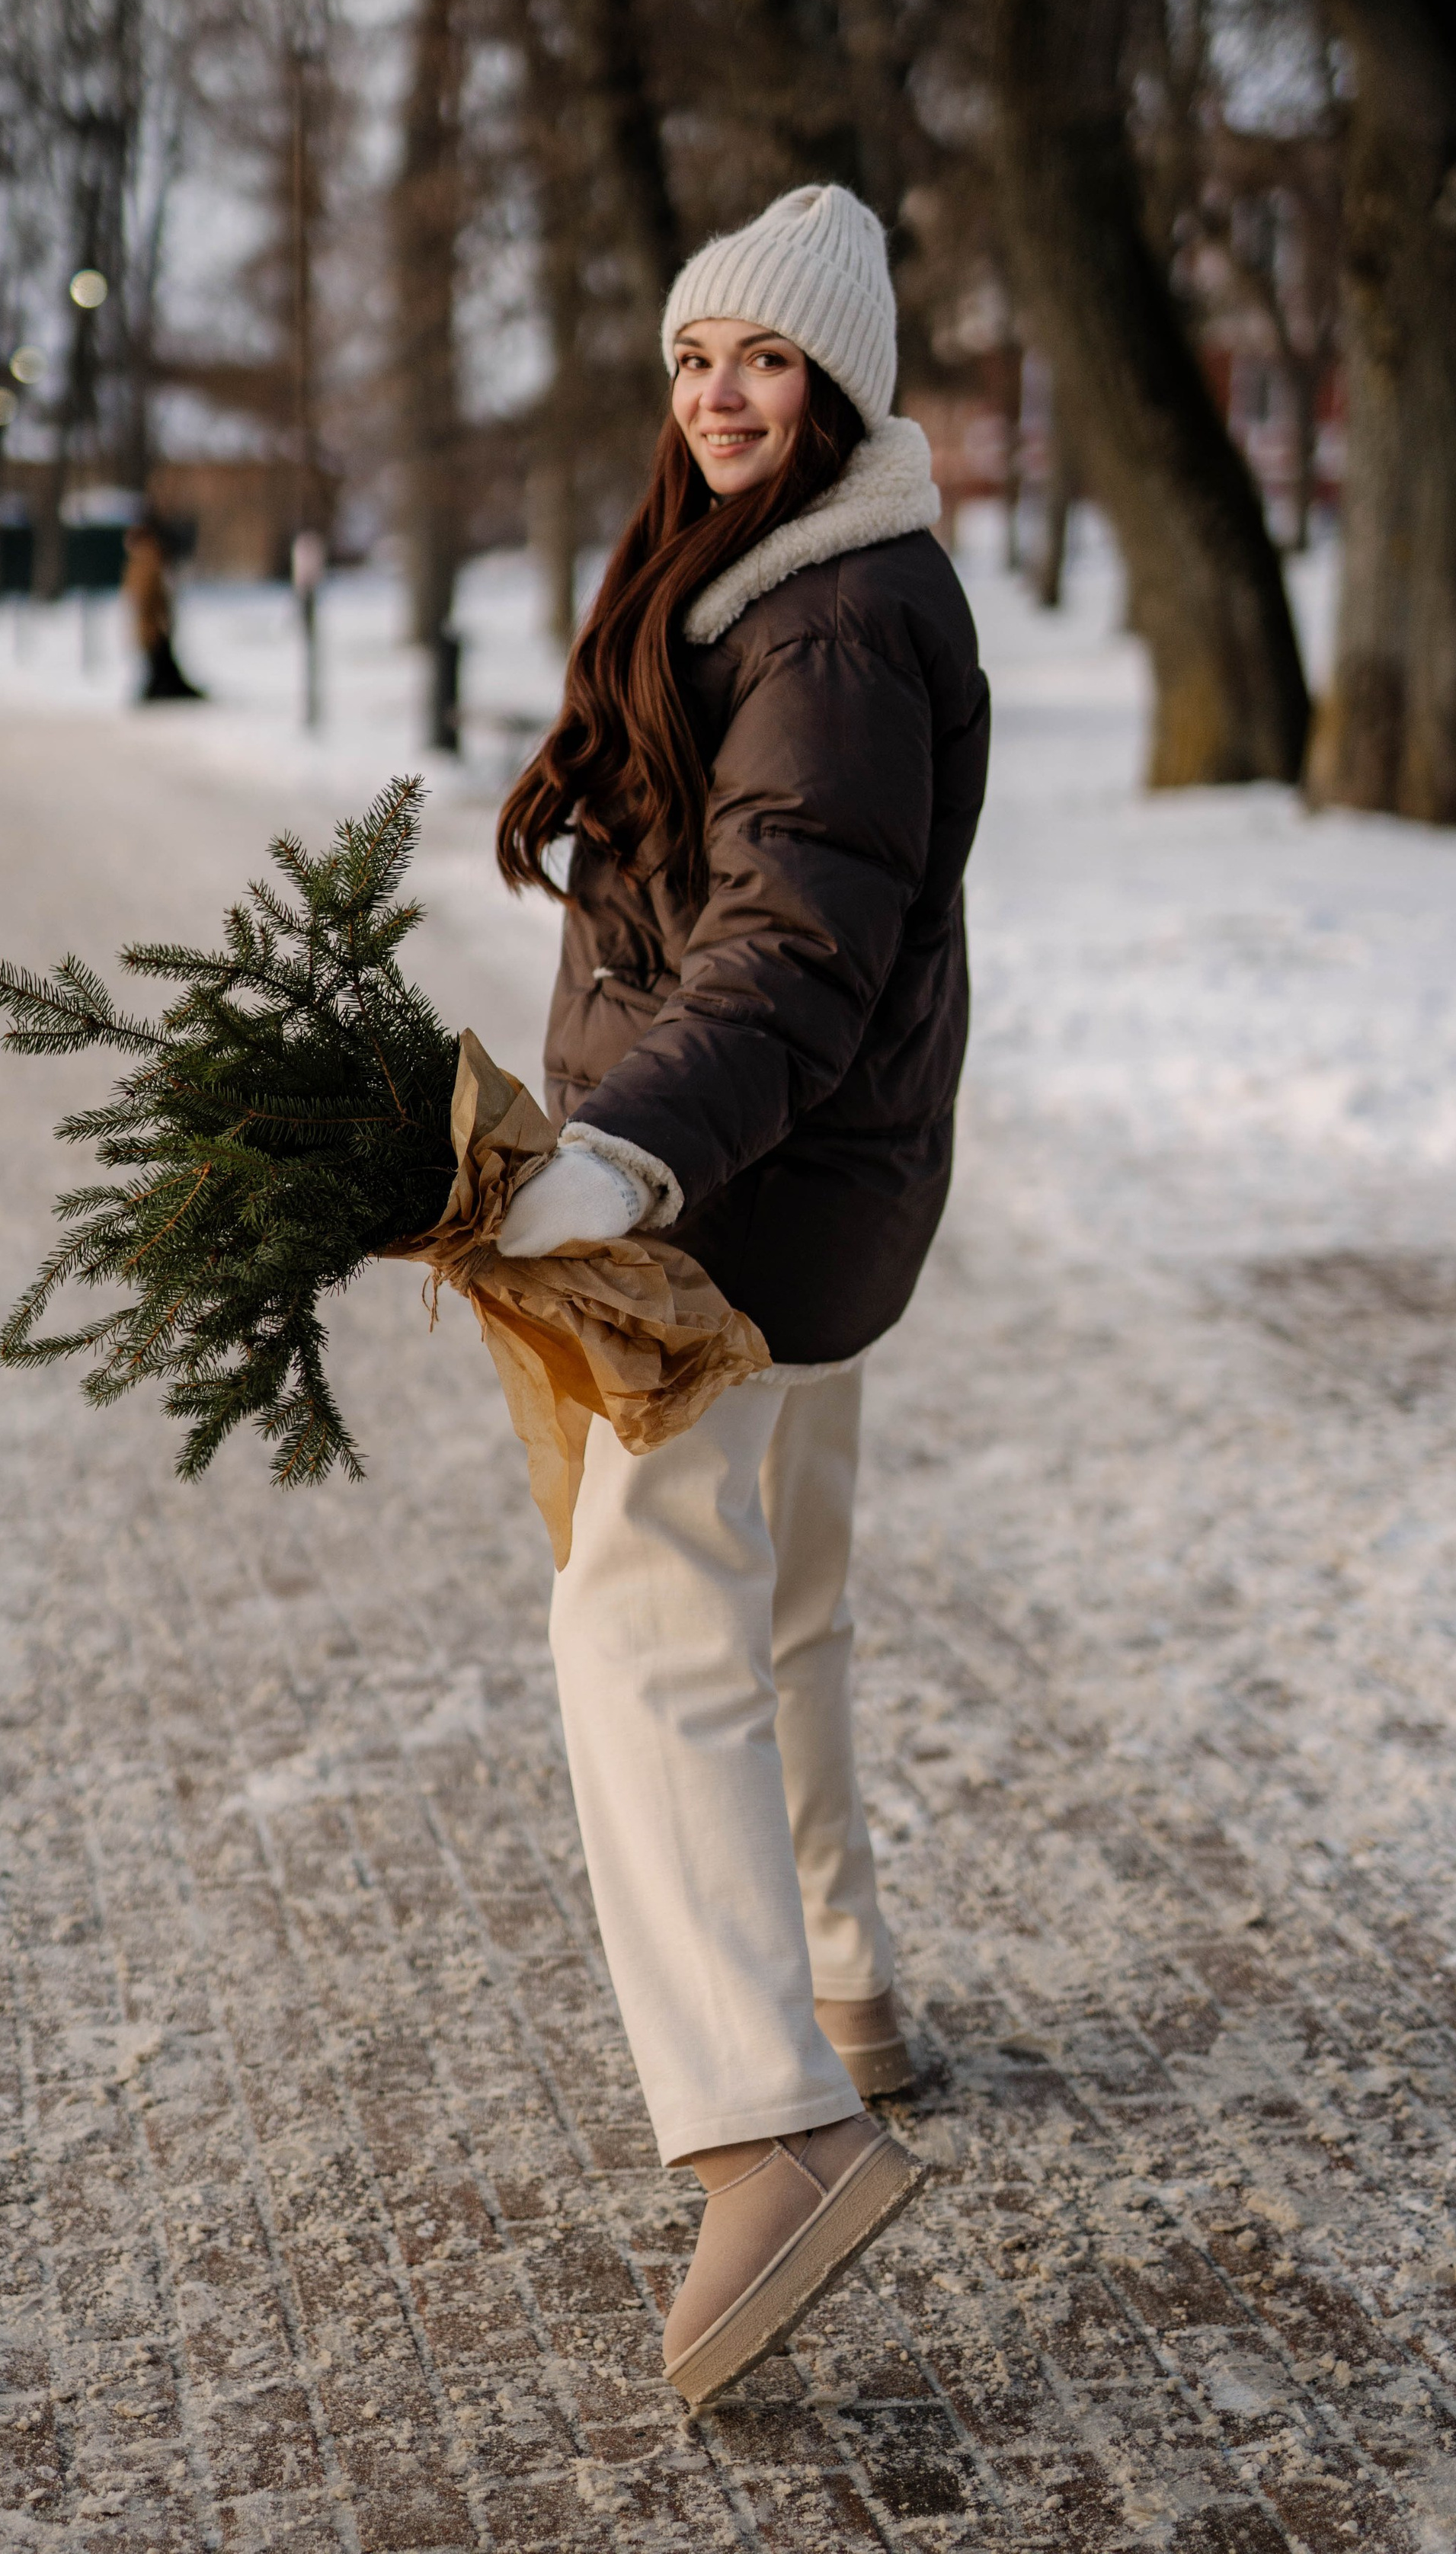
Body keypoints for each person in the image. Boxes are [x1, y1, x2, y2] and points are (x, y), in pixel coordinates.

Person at [493, 184, 989, 2411]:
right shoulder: (777, 577)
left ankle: (766, 2125)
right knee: (778, 1598)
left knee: (639, 1613)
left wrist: (621, 1151)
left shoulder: (841, 620)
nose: (717, 393)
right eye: (697, 355)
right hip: (800, 1182)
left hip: (743, 1202)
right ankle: (845, 1982)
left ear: (840, 386)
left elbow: (788, 953)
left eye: (764, 361)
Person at [124, 517, 203, 700]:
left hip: (151, 625)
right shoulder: (146, 559)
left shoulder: (145, 558)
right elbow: (145, 596)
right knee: (158, 662)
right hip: (151, 625)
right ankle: (159, 690)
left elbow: (148, 596)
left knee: (160, 662)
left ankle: (161, 690)